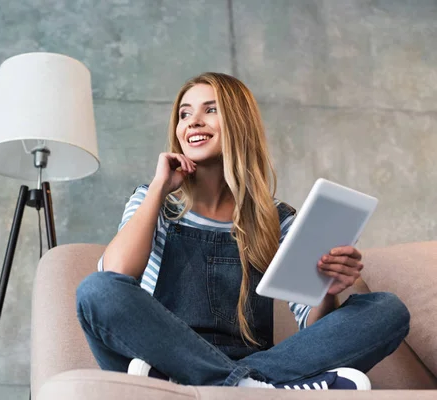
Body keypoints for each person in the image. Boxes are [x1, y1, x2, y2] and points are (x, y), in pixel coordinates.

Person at [76, 72, 410, 390]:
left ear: (239, 123)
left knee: (386, 310)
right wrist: (159, 188)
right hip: (160, 358)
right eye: (184, 114)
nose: (192, 121)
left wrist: (326, 289)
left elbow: (314, 328)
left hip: (244, 363)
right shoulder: (155, 202)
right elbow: (115, 276)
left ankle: (239, 384)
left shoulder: (276, 219)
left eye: (210, 110)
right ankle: (255, 388)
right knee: (97, 291)